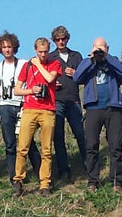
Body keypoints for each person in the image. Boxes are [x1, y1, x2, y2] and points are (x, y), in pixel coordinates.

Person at [0, 31, 41, 183]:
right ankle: (14, 177)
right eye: (4, 47)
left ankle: (40, 174)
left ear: (14, 48)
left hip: (23, 105)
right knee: (10, 143)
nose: (7, 49)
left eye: (9, 46)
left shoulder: (25, 64)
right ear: (0, 49)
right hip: (6, 106)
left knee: (28, 142)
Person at [13, 37, 62, 197]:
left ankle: (45, 183)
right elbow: (17, 90)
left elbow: (49, 78)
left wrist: (38, 64)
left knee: (47, 150)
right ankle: (18, 181)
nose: (43, 54)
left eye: (46, 51)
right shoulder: (27, 67)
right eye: (40, 52)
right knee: (22, 148)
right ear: (35, 50)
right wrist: (31, 91)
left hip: (48, 110)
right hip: (29, 109)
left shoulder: (54, 63)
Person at [73, 38, 122, 192]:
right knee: (91, 145)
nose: (99, 51)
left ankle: (117, 181)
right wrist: (91, 59)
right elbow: (76, 77)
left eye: (102, 48)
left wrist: (107, 57)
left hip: (113, 108)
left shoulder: (113, 61)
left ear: (107, 48)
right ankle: (92, 181)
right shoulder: (88, 63)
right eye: (96, 48)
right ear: (92, 48)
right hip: (93, 108)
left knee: (116, 146)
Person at [49, 26, 86, 181]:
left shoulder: (76, 56)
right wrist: (51, 83)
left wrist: (76, 74)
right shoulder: (50, 57)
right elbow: (43, 78)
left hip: (73, 100)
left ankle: (88, 164)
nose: (61, 41)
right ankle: (64, 170)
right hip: (56, 100)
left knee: (81, 134)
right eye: (57, 39)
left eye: (63, 38)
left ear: (67, 39)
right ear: (54, 41)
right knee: (58, 137)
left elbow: (86, 77)